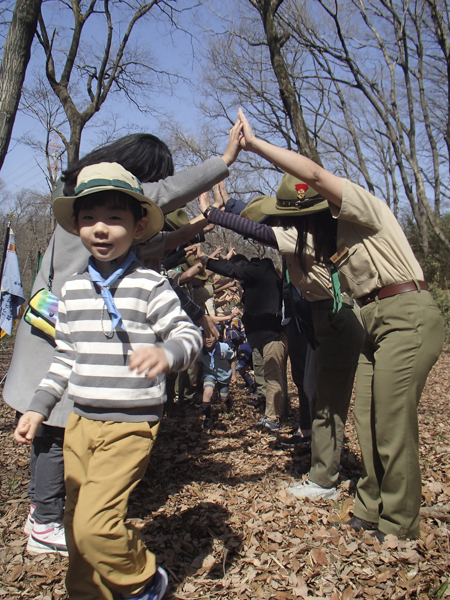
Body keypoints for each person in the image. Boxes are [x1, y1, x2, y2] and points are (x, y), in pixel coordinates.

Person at [3, 127, 241, 554]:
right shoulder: (96, 209)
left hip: (66, 332)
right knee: (55, 430)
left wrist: (204, 224)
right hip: (60, 331)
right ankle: (45, 520)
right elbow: (165, 194)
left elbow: (156, 244)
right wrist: (223, 161)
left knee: (62, 428)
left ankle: (67, 515)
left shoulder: (104, 225)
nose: (104, 226)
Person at [234, 109, 444, 540]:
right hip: (370, 318)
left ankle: (400, 524)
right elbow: (262, 228)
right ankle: (369, 509)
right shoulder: (323, 240)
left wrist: (255, 146)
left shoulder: (364, 208)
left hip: (407, 313)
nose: (294, 223)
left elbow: (312, 171)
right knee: (367, 422)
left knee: (391, 424)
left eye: (298, 214)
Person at [14, 162, 202, 600]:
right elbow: (66, 356)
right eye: (89, 219)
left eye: (114, 218)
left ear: (138, 228)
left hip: (129, 424)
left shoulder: (150, 284)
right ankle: (87, 593)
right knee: (78, 528)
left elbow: (187, 334)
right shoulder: (74, 291)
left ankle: (143, 578)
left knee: (97, 526)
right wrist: (39, 406)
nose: (101, 229)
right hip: (80, 422)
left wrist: (165, 353)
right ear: (76, 226)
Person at [202, 183, 364, 500]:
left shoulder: (307, 237)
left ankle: (327, 476)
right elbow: (265, 221)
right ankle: (322, 464)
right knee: (312, 390)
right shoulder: (303, 235)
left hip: (334, 317)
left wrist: (213, 213)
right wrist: (230, 204)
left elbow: (262, 228)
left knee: (325, 398)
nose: (282, 221)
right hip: (315, 321)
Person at [204, 253, 287, 432]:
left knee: (273, 377)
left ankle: (273, 419)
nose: (237, 280)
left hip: (273, 335)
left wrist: (206, 261)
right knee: (271, 376)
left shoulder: (259, 270)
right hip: (263, 337)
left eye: (238, 277)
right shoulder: (258, 277)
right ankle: (275, 414)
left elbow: (232, 269)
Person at [193, 327, 236, 428]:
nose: (207, 339)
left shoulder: (224, 348)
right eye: (204, 337)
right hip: (210, 374)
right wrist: (195, 376)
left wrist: (234, 375)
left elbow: (232, 359)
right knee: (207, 392)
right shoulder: (201, 351)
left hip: (224, 375)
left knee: (223, 397)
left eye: (211, 336)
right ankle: (207, 417)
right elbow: (198, 363)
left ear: (217, 336)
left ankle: (228, 401)